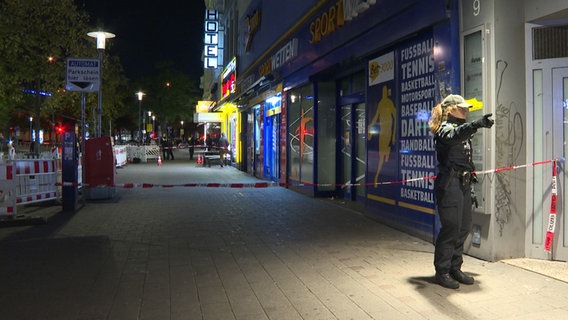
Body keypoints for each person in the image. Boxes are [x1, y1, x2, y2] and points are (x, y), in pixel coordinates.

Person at [428, 94, 494, 289]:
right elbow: (455, 136)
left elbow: (465, 158)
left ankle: (455, 267)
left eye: (466, 108)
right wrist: (475, 125)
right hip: (449, 185)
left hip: (462, 185)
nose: (466, 111)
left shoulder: (460, 129)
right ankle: (442, 271)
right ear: (450, 110)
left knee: (464, 227)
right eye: (462, 108)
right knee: (451, 228)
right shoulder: (444, 129)